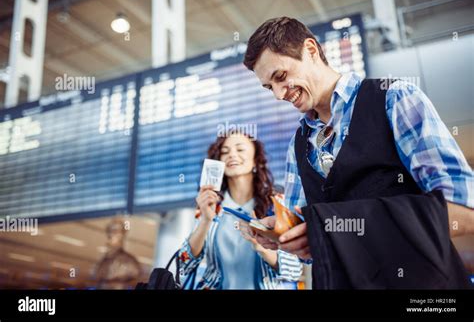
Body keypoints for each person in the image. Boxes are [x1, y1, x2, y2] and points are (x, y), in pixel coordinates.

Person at [243, 17, 473, 288]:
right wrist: (285, 234)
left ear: (311, 50)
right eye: (269, 87)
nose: (279, 95)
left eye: (281, 77)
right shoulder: (298, 146)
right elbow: (309, 249)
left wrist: (331, 229)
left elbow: (464, 211)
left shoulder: (393, 98)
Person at [178, 131, 302, 289]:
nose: (231, 155)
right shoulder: (210, 206)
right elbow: (183, 265)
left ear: (256, 161)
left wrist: (261, 247)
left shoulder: (277, 203)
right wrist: (205, 220)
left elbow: (294, 271)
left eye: (240, 149)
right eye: (225, 151)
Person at [96, 218, 142, 289]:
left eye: (116, 231)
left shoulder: (130, 261)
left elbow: (136, 276)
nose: (112, 234)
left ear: (122, 235)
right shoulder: (103, 261)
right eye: (110, 231)